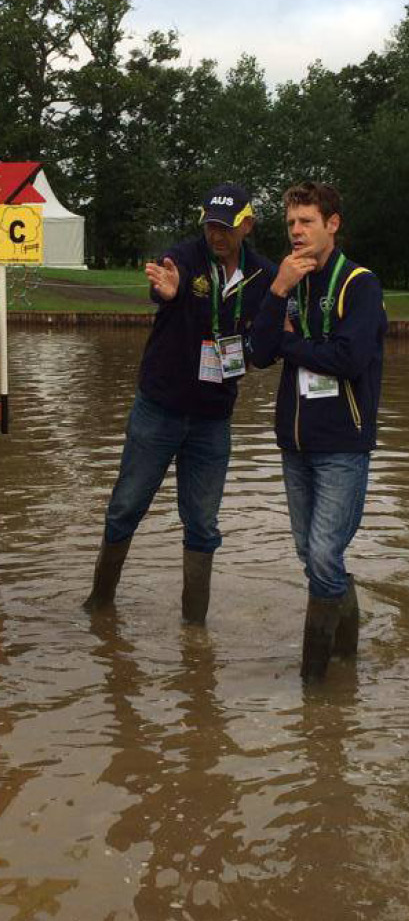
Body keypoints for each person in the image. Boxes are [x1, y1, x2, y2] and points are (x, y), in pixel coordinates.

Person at [84, 182, 276, 621]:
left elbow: (266, 337)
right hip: (159, 408)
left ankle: (194, 627)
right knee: (126, 506)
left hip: (213, 419)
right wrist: (167, 290)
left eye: (226, 227)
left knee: (203, 524)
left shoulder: (263, 276)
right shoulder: (186, 257)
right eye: (210, 225)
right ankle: (100, 603)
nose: (216, 235)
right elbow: (167, 280)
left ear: (247, 225)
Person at [249, 181, 387, 681]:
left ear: (332, 224)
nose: (296, 231)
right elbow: (258, 352)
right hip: (295, 442)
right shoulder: (289, 282)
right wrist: (278, 289)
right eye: (290, 223)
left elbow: (350, 359)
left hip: (342, 443)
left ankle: (315, 680)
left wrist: (293, 346)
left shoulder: (360, 284)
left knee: (325, 554)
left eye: (306, 221)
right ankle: (346, 655)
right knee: (312, 555)